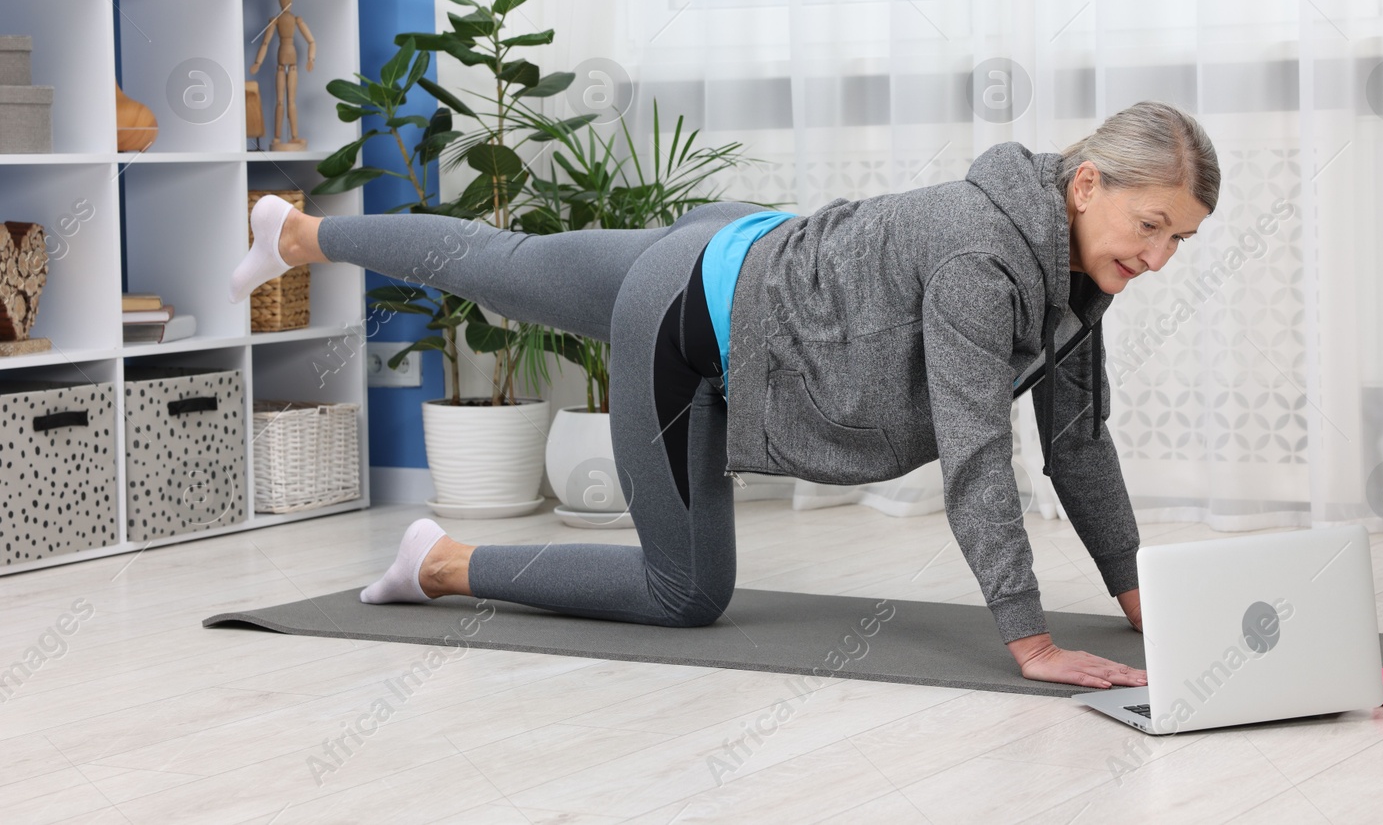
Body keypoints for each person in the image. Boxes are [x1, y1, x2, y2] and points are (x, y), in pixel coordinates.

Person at [228, 100, 1218, 688]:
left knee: (508, 261)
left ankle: (298, 233)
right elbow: (975, 452)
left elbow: (1078, 441)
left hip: (746, 250)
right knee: (683, 592)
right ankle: (440, 561)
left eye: (1181, 236)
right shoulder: (983, 259)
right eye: (1152, 222)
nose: (1161, 255)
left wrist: (1138, 598)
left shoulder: (1081, 276)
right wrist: (1030, 638)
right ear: (1084, 183)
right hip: (693, 326)